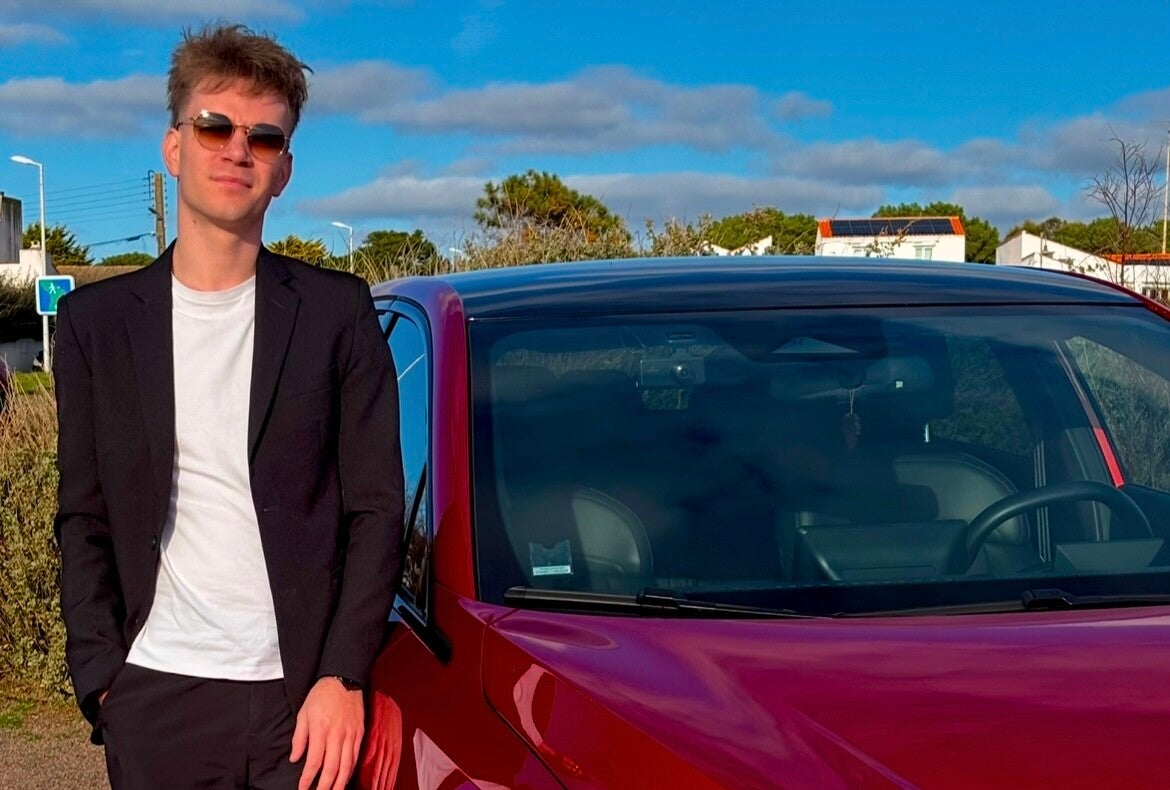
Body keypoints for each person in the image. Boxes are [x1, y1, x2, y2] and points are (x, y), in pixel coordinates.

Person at [53, 23, 404, 789]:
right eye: (215, 126)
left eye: (264, 137)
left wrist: (343, 674)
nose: (238, 150)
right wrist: (104, 681)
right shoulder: (95, 324)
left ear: (284, 171)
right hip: (156, 697)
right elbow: (83, 515)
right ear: (174, 146)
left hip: (303, 703)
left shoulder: (337, 312)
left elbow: (376, 510)